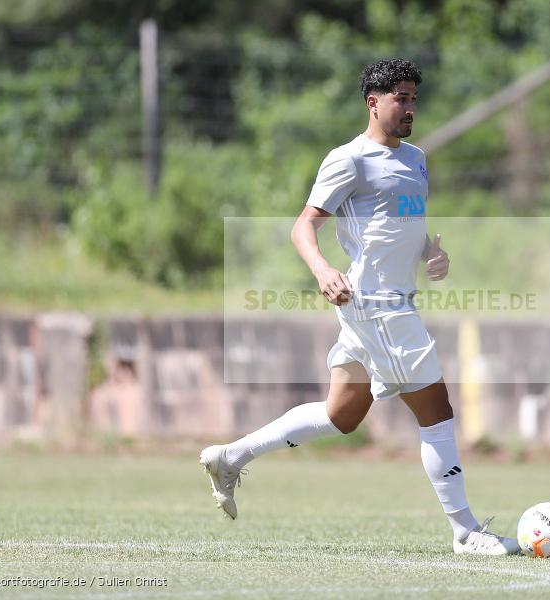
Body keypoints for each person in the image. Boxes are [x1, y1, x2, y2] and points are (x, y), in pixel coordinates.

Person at [200, 58, 519, 555]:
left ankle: (230, 456)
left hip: (385, 303)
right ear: (373, 102)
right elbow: (302, 226)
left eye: (414, 98)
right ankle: (465, 531)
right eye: (401, 98)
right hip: (376, 305)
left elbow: (402, 228)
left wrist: (431, 253)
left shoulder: (415, 158)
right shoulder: (348, 159)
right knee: (437, 412)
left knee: (342, 415)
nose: (411, 107)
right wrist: (324, 271)